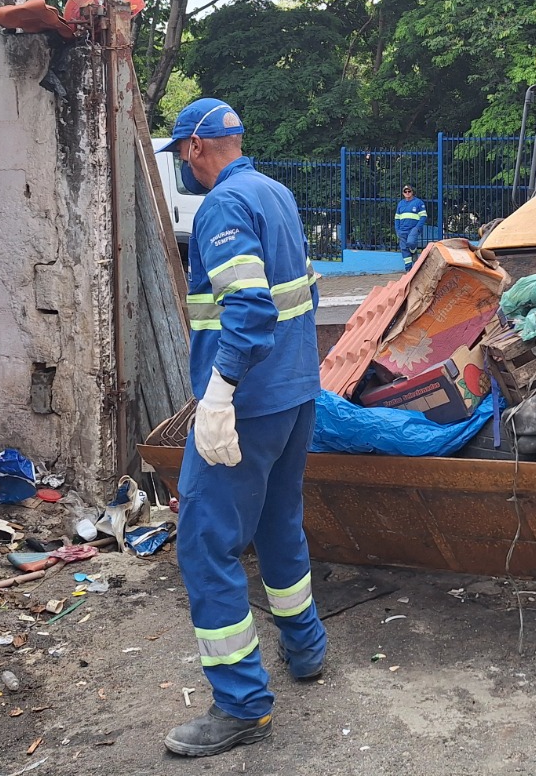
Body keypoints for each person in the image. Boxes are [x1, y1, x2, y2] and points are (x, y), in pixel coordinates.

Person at [157, 98, 326, 759]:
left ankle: (243, 705)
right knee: (279, 523)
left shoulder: (223, 205)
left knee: (204, 544)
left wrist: (220, 394)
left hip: (248, 405)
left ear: (197, 147)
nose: (184, 168)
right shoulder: (274, 193)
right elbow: (304, 292)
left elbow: (251, 305)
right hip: (293, 395)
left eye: (181, 156)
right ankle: (306, 648)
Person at [394, 184, 427, 271]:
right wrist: (397, 230)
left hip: (413, 228)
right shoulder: (400, 204)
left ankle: (413, 251)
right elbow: (397, 218)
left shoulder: (418, 202)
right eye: (405, 191)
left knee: (411, 243)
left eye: (409, 191)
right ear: (403, 193)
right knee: (404, 249)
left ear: (412, 192)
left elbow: (423, 216)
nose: (407, 193)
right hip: (402, 230)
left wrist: (417, 228)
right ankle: (409, 270)